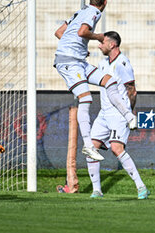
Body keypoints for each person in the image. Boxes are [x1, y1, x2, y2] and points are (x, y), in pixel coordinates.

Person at [54, 0, 137, 162]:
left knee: (109, 81)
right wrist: (98, 36)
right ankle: (88, 146)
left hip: (77, 60)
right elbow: (82, 32)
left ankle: (128, 116)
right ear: (105, 2)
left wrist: (76, 48)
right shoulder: (94, 12)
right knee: (85, 98)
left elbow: (59, 32)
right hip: (69, 63)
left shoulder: (79, 13)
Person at [86, 31, 150, 199]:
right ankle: (97, 190)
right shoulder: (102, 64)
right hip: (104, 113)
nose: (100, 45)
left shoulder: (122, 64)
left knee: (116, 148)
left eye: (102, 42)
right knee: (90, 148)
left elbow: (132, 91)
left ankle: (141, 187)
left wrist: (128, 114)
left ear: (112, 44)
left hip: (118, 113)